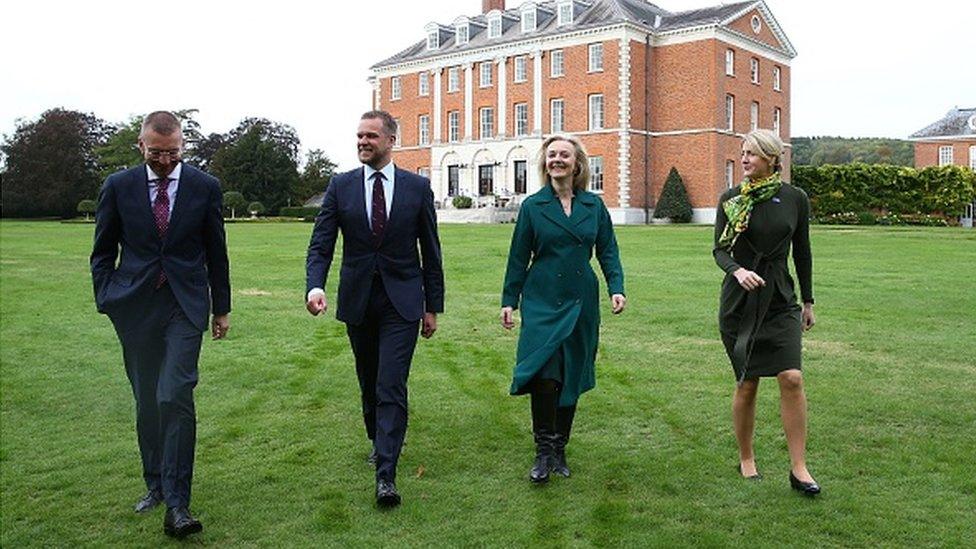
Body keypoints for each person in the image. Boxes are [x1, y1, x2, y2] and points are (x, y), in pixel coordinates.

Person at [90, 111, 230, 537]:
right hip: (134, 307)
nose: (165, 162)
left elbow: (216, 251)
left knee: (175, 393)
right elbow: (102, 251)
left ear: (183, 146)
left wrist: (220, 307)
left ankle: (178, 505)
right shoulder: (118, 186)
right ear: (141, 145)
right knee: (148, 399)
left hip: (185, 305)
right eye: (156, 154)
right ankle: (154, 483)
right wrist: (108, 299)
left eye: (172, 153)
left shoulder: (205, 187)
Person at [305, 110, 444, 507]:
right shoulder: (341, 186)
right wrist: (315, 285)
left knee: (390, 383)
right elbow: (321, 244)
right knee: (369, 381)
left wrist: (432, 306)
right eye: (359, 136)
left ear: (390, 141)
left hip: (403, 302)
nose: (363, 142)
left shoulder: (417, 188)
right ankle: (377, 439)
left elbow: (430, 251)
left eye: (370, 136)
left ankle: (387, 474)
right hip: (359, 300)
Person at [500, 135, 625, 483]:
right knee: (544, 374)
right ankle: (542, 451)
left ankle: (559, 449)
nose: (557, 160)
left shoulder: (593, 206)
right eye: (552, 154)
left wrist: (617, 288)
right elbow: (517, 257)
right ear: (545, 162)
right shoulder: (533, 206)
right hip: (542, 299)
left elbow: (608, 251)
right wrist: (509, 300)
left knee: (570, 373)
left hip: (581, 299)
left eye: (564, 155)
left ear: (577, 163)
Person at [713, 129, 820, 496]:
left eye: (753, 154)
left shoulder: (795, 198)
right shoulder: (730, 199)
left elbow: (802, 252)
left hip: (780, 299)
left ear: (774, 159)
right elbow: (719, 251)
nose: (745, 160)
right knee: (747, 382)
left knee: (792, 377)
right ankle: (746, 457)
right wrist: (738, 271)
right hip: (739, 302)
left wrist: (808, 301)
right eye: (743, 153)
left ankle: (799, 467)